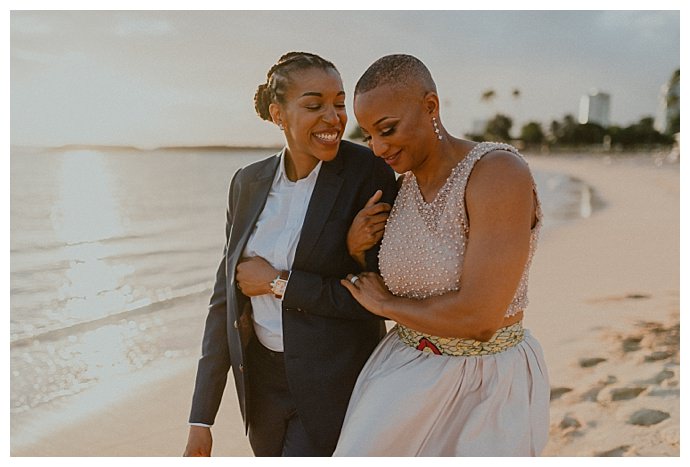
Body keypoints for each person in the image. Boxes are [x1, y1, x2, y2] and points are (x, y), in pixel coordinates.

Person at [334, 54, 550, 456]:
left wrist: (386, 305)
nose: (378, 148)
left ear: (430, 106)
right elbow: (393, 277)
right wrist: (355, 247)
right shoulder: (400, 189)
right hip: (399, 372)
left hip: (484, 384)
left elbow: (479, 319)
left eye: (388, 129)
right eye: (367, 135)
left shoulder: (496, 173)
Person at [183, 52, 397, 457]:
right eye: (315, 105)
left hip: (333, 383)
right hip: (262, 388)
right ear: (278, 114)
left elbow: (381, 301)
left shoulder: (366, 172)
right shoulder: (247, 182)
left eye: (338, 103)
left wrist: (278, 282)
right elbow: (224, 301)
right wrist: (201, 419)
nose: (334, 118)